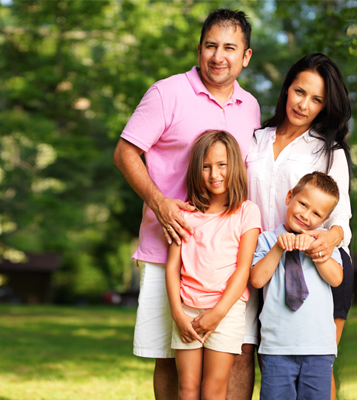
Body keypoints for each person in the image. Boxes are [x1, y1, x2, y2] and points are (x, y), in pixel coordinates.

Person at [113, 8, 260, 400]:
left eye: (230, 48)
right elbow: (125, 153)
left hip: (226, 259)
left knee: (239, 352)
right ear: (199, 50)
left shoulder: (251, 107)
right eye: (211, 46)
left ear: (246, 56)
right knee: (170, 357)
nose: (218, 56)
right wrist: (160, 204)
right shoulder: (167, 93)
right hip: (169, 249)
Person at [245, 53, 353, 399]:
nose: (304, 105)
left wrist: (326, 241)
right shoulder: (255, 140)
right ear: (287, 88)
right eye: (300, 91)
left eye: (317, 99)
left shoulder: (329, 151)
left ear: (325, 106)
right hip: (264, 260)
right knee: (274, 362)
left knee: (318, 365)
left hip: (319, 266)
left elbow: (341, 219)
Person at [166, 130, 260, 400]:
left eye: (222, 165)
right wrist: (177, 313)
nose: (214, 174)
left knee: (214, 390)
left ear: (235, 166)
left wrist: (217, 313)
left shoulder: (246, 211)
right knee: (187, 388)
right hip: (187, 310)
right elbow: (172, 268)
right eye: (206, 166)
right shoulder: (184, 213)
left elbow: (243, 269)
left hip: (225, 311)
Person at [250, 172, 343, 400]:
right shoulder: (267, 240)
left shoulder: (324, 243)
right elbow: (257, 280)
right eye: (303, 204)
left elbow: (336, 278)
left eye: (316, 214)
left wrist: (316, 251)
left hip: (318, 348)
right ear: (289, 196)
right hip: (276, 348)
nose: (306, 215)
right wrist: (278, 248)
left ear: (324, 220)